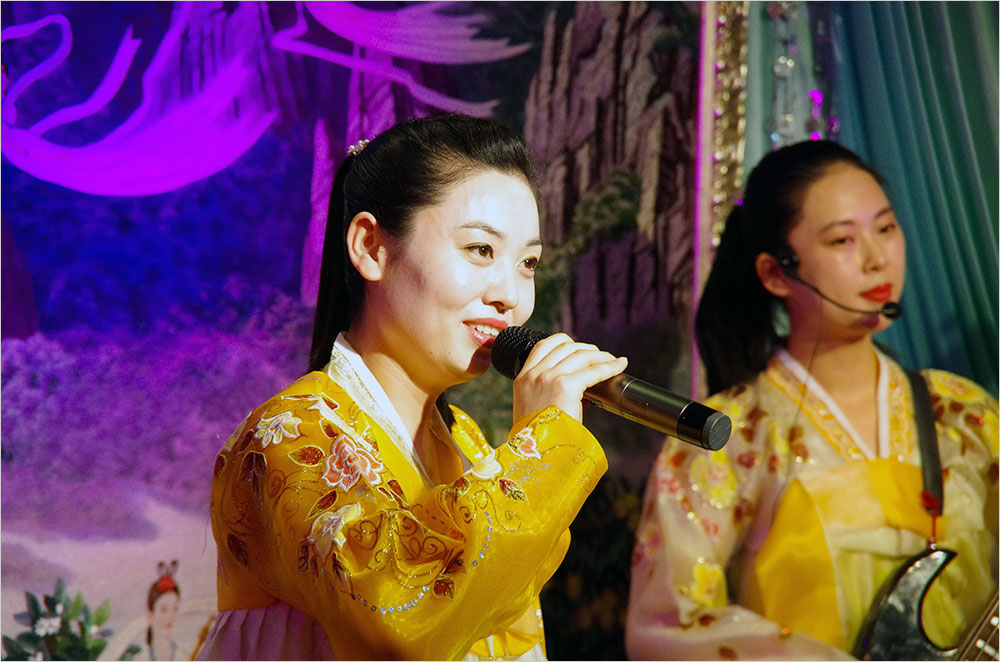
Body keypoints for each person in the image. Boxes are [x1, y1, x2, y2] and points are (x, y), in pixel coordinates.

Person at [195, 114, 628, 661]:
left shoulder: (467, 441)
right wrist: (542, 452)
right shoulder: (288, 436)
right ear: (371, 247)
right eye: (480, 250)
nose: (511, 295)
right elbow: (399, 615)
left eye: (528, 263)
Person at [625, 140, 998, 660]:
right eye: (843, 239)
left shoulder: (962, 412)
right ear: (776, 273)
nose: (876, 260)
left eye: (886, 229)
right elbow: (668, 625)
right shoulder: (729, 435)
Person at [147, 561, 181, 661]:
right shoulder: (141, 656)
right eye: (163, 609)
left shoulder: (183, 656)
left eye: (175, 609)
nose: (170, 617)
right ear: (150, 615)